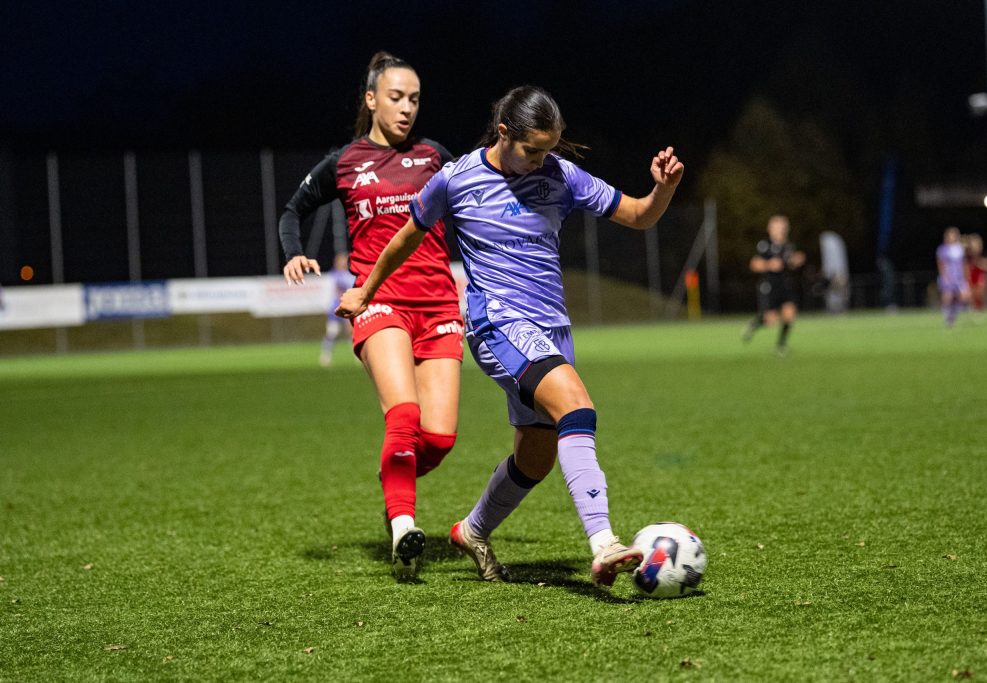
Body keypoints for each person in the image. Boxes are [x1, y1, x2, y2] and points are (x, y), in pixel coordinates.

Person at [339, 85, 685, 588]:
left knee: (536, 457)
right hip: (497, 323)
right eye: (533, 150)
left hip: (552, 328)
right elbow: (407, 235)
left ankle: (472, 531)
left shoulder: (561, 175)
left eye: (549, 149)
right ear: (504, 133)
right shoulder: (456, 179)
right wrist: (367, 290)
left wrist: (663, 190)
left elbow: (638, 215)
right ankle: (604, 542)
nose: (542, 160)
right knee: (577, 408)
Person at [278, 52, 463, 580]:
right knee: (403, 415)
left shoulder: (435, 157)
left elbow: (478, 201)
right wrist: (293, 252)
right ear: (371, 99)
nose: (407, 108)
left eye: (415, 99)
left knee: (439, 438)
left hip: (438, 303)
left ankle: (393, 482)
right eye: (396, 97)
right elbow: (293, 210)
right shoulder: (345, 162)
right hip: (377, 300)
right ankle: (404, 526)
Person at [741, 215, 806, 355]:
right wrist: (769, 264)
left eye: (783, 227)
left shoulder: (789, 246)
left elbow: (793, 261)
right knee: (771, 319)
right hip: (770, 285)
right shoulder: (764, 245)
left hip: (786, 284)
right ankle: (754, 324)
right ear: (770, 229)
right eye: (777, 227)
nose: (780, 229)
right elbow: (754, 264)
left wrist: (797, 260)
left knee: (789, 313)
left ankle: (781, 346)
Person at [319, 251, 356, 367]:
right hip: (335, 308)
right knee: (333, 332)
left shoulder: (350, 274)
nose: (343, 262)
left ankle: (357, 356)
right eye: (341, 260)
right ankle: (326, 355)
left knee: (351, 332)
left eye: (345, 260)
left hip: (348, 307)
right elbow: (337, 289)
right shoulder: (333, 275)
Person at [935, 226, 970, 327]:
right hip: (948, 276)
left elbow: (963, 263)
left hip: (959, 277)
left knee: (964, 297)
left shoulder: (959, 248)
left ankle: (953, 315)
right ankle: (947, 317)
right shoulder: (942, 249)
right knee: (948, 297)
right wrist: (944, 276)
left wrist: (965, 275)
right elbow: (941, 264)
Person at [965, 233, 987, 312]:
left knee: (980, 294)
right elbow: (966, 267)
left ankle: (980, 309)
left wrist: (980, 264)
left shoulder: (984, 253)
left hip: (980, 276)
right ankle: (973, 309)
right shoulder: (967, 255)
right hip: (971, 276)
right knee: (972, 295)